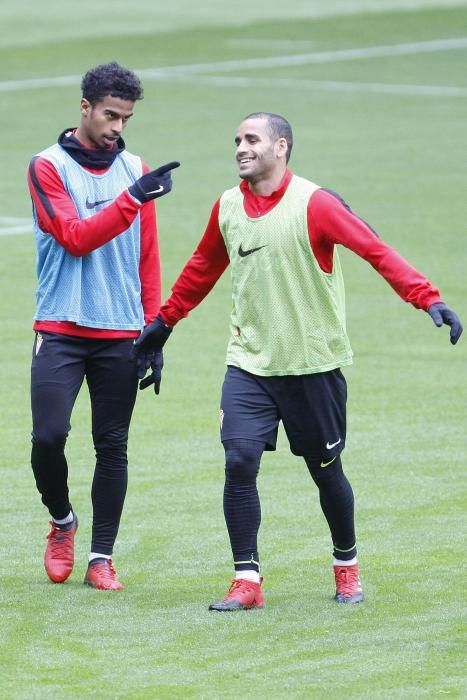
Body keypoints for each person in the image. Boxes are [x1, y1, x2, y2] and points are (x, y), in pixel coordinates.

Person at [131, 112, 462, 609]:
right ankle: (247, 580)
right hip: (249, 364)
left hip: (313, 366)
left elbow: (375, 251)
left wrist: (427, 297)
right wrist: (164, 323)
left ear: (281, 146)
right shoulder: (227, 206)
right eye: (237, 140)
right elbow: (202, 267)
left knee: (326, 469)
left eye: (252, 139)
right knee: (239, 459)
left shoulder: (316, 204)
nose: (241, 148)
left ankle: (346, 565)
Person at [27, 61, 180, 590]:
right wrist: (132, 197)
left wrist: (154, 329)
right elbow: (73, 235)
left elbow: (148, 254)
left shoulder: (133, 166)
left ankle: (100, 558)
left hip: (120, 331)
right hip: (62, 327)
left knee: (112, 446)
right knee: (49, 436)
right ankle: (62, 522)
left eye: (126, 118)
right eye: (110, 115)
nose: (117, 127)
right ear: (85, 108)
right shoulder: (46, 166)